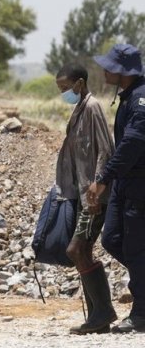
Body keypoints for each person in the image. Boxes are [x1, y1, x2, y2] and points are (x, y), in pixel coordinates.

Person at [52, 64, 117, 334]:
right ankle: (97, 316)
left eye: (66, 88)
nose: (64, 93)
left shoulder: (92, 108)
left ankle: (102, 311)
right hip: (80, 193)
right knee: (83, 251)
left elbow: (106, 150)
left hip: (94, 196)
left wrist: (97, 187)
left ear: (80, 83)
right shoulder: (78, 110)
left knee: (75, 250)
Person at [88, 43, 145, 333]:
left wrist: (103, 179)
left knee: (136, 248)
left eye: (109, 66)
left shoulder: (140, 100)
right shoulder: (128, 96)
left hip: (138, 185)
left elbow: (132, 145)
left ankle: (141, 313)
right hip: (125, 184)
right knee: (112, 239)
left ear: (123, 72)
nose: (104, 69)